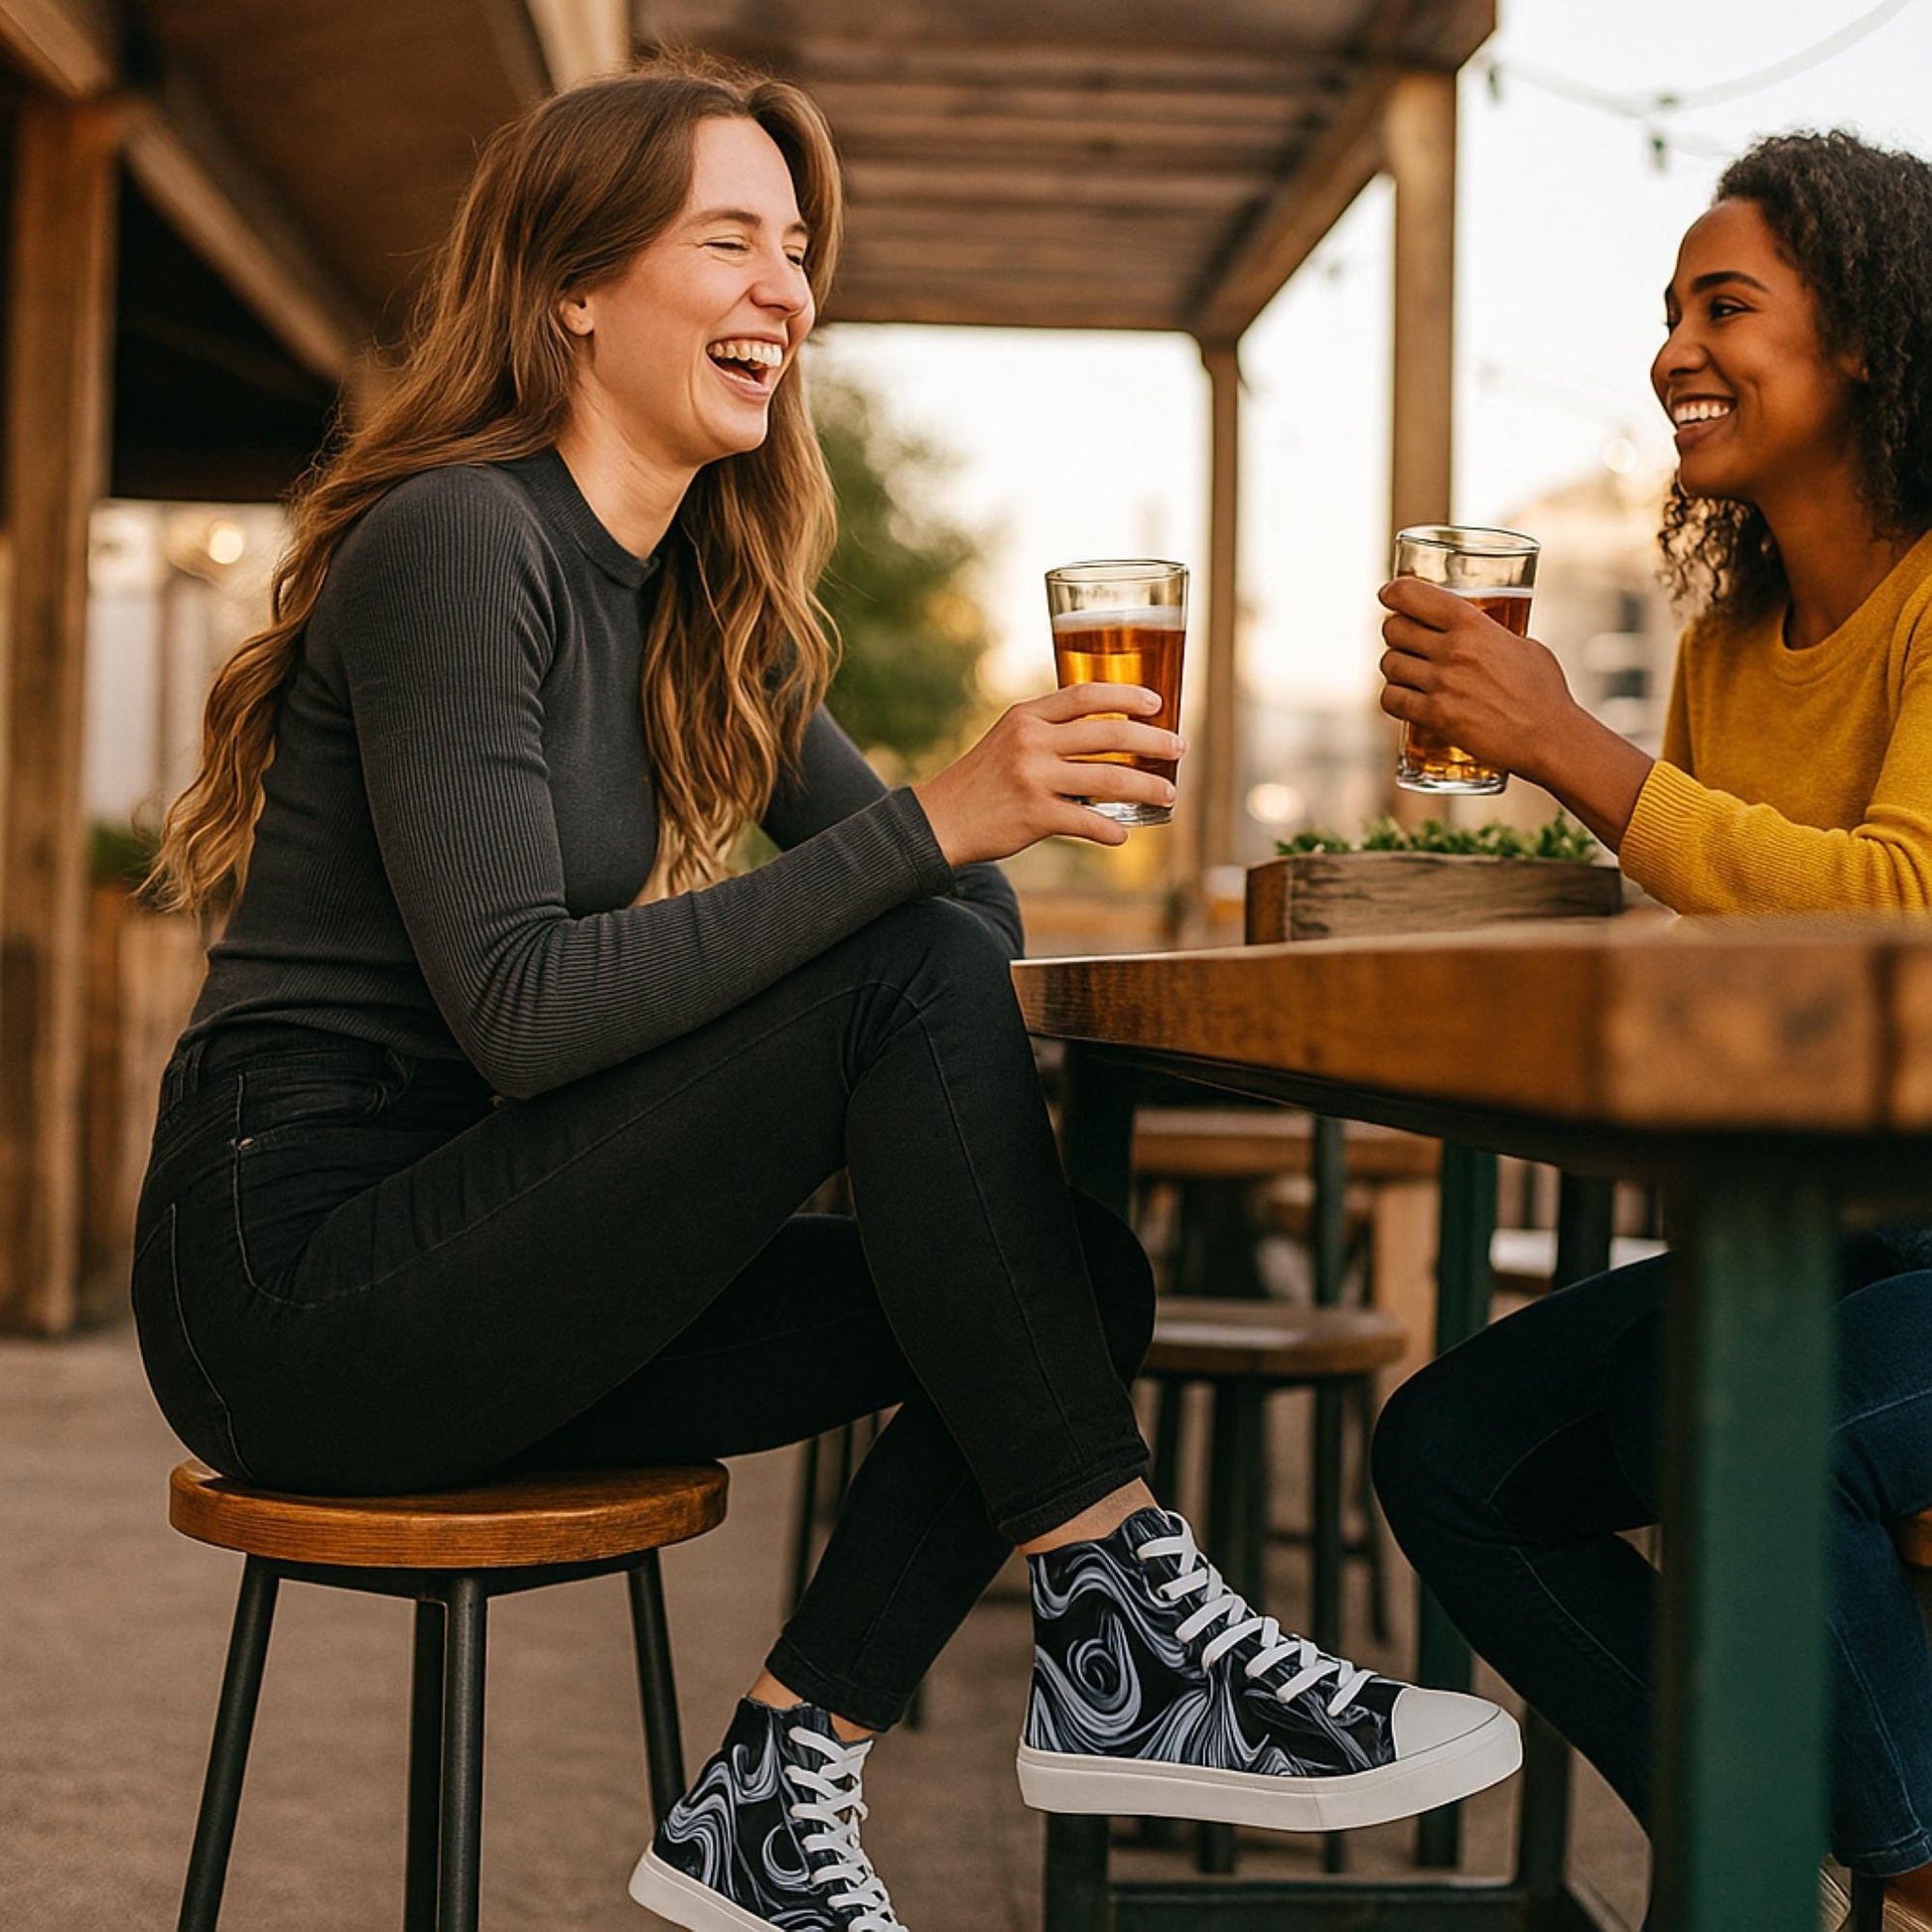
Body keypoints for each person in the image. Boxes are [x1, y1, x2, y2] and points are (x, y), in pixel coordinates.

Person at [132, 55, 1519, 1932]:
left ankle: (776, 1784)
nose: (787, 288)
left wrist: (974, 831)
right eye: (729, 240)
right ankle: (1134, 1633)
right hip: (297, 1287)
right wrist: (948, 818)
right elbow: (525, 1012)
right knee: (907, 961)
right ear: (575, 287)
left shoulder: (704, 596)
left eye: (798, 249)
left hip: (494, 1257)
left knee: (1070, 1286)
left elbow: (962, 949)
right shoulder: (462, 539)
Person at [1370, 130, 1932, 1931]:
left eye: (1724, 306)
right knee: (1452, 1451)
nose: (1674, 349)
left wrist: (1571, 749)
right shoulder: (1733, 631)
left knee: (1742, 1424)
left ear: (1864, 338)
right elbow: (1727, 932)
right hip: (1844, 1220)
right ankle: (1753, 1853)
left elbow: (1899, 910)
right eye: (1666, 312)